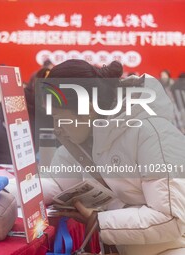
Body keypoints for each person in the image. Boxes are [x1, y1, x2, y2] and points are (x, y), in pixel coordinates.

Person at [45, 59, 185, 254]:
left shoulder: (153, 134)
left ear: (89, 110)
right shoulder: (83, 139)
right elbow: (57, 185)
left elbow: (171, 219)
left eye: (59, 117)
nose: (56, 128)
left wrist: (99, 221)